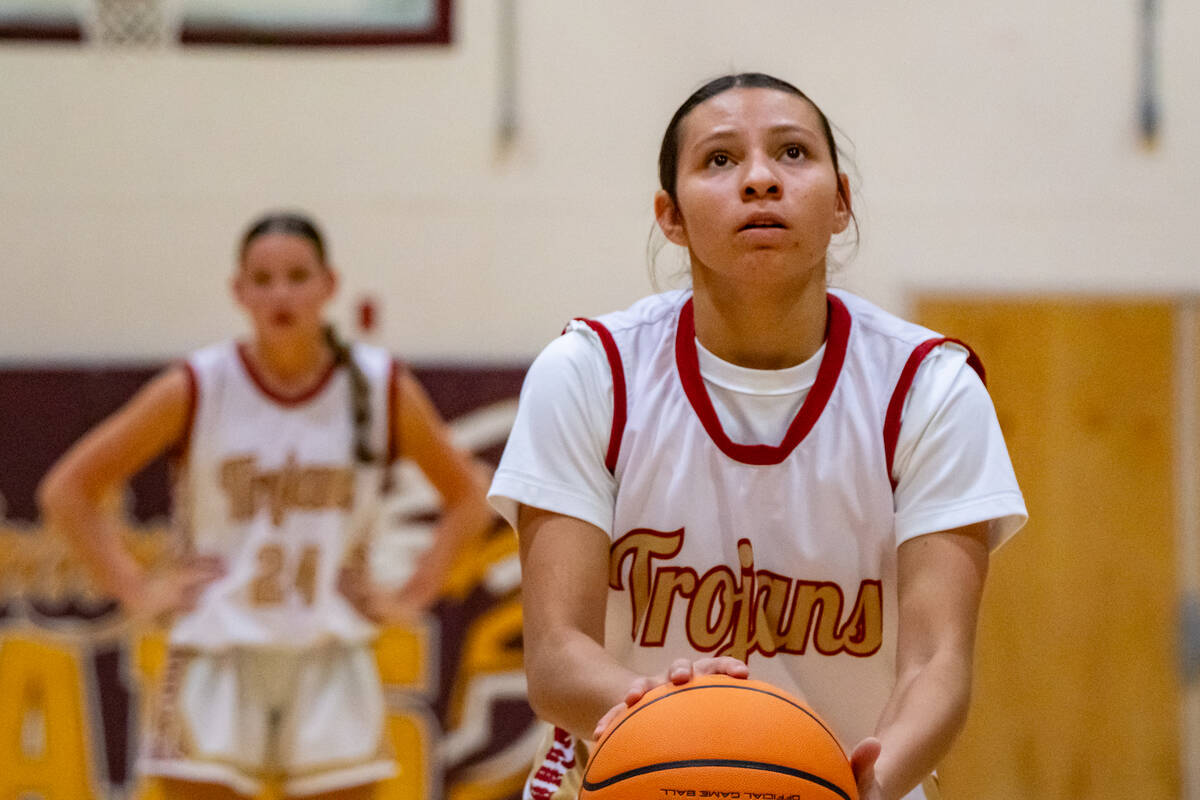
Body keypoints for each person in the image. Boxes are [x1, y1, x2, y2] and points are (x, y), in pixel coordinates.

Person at [487, 73, 1027, 800]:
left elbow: (937, 662)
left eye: (793, 153)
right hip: (626, 780)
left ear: (840, 203)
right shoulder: (591, 372)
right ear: (670, 216)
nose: (761, 180)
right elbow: (556, 657)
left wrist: (867, 779)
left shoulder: (928, 388)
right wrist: (687, 723)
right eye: (719, 160)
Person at [38, 211, 495, 800]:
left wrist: (408, 596)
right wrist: (136, 589)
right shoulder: (199, 384)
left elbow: (469, 497)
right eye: (264, 279)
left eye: (298, 276)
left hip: (331, 648)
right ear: (239, 291)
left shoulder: (380, 384)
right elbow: (67, 492)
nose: (281, 293)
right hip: (219, 648)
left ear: (329, 285)